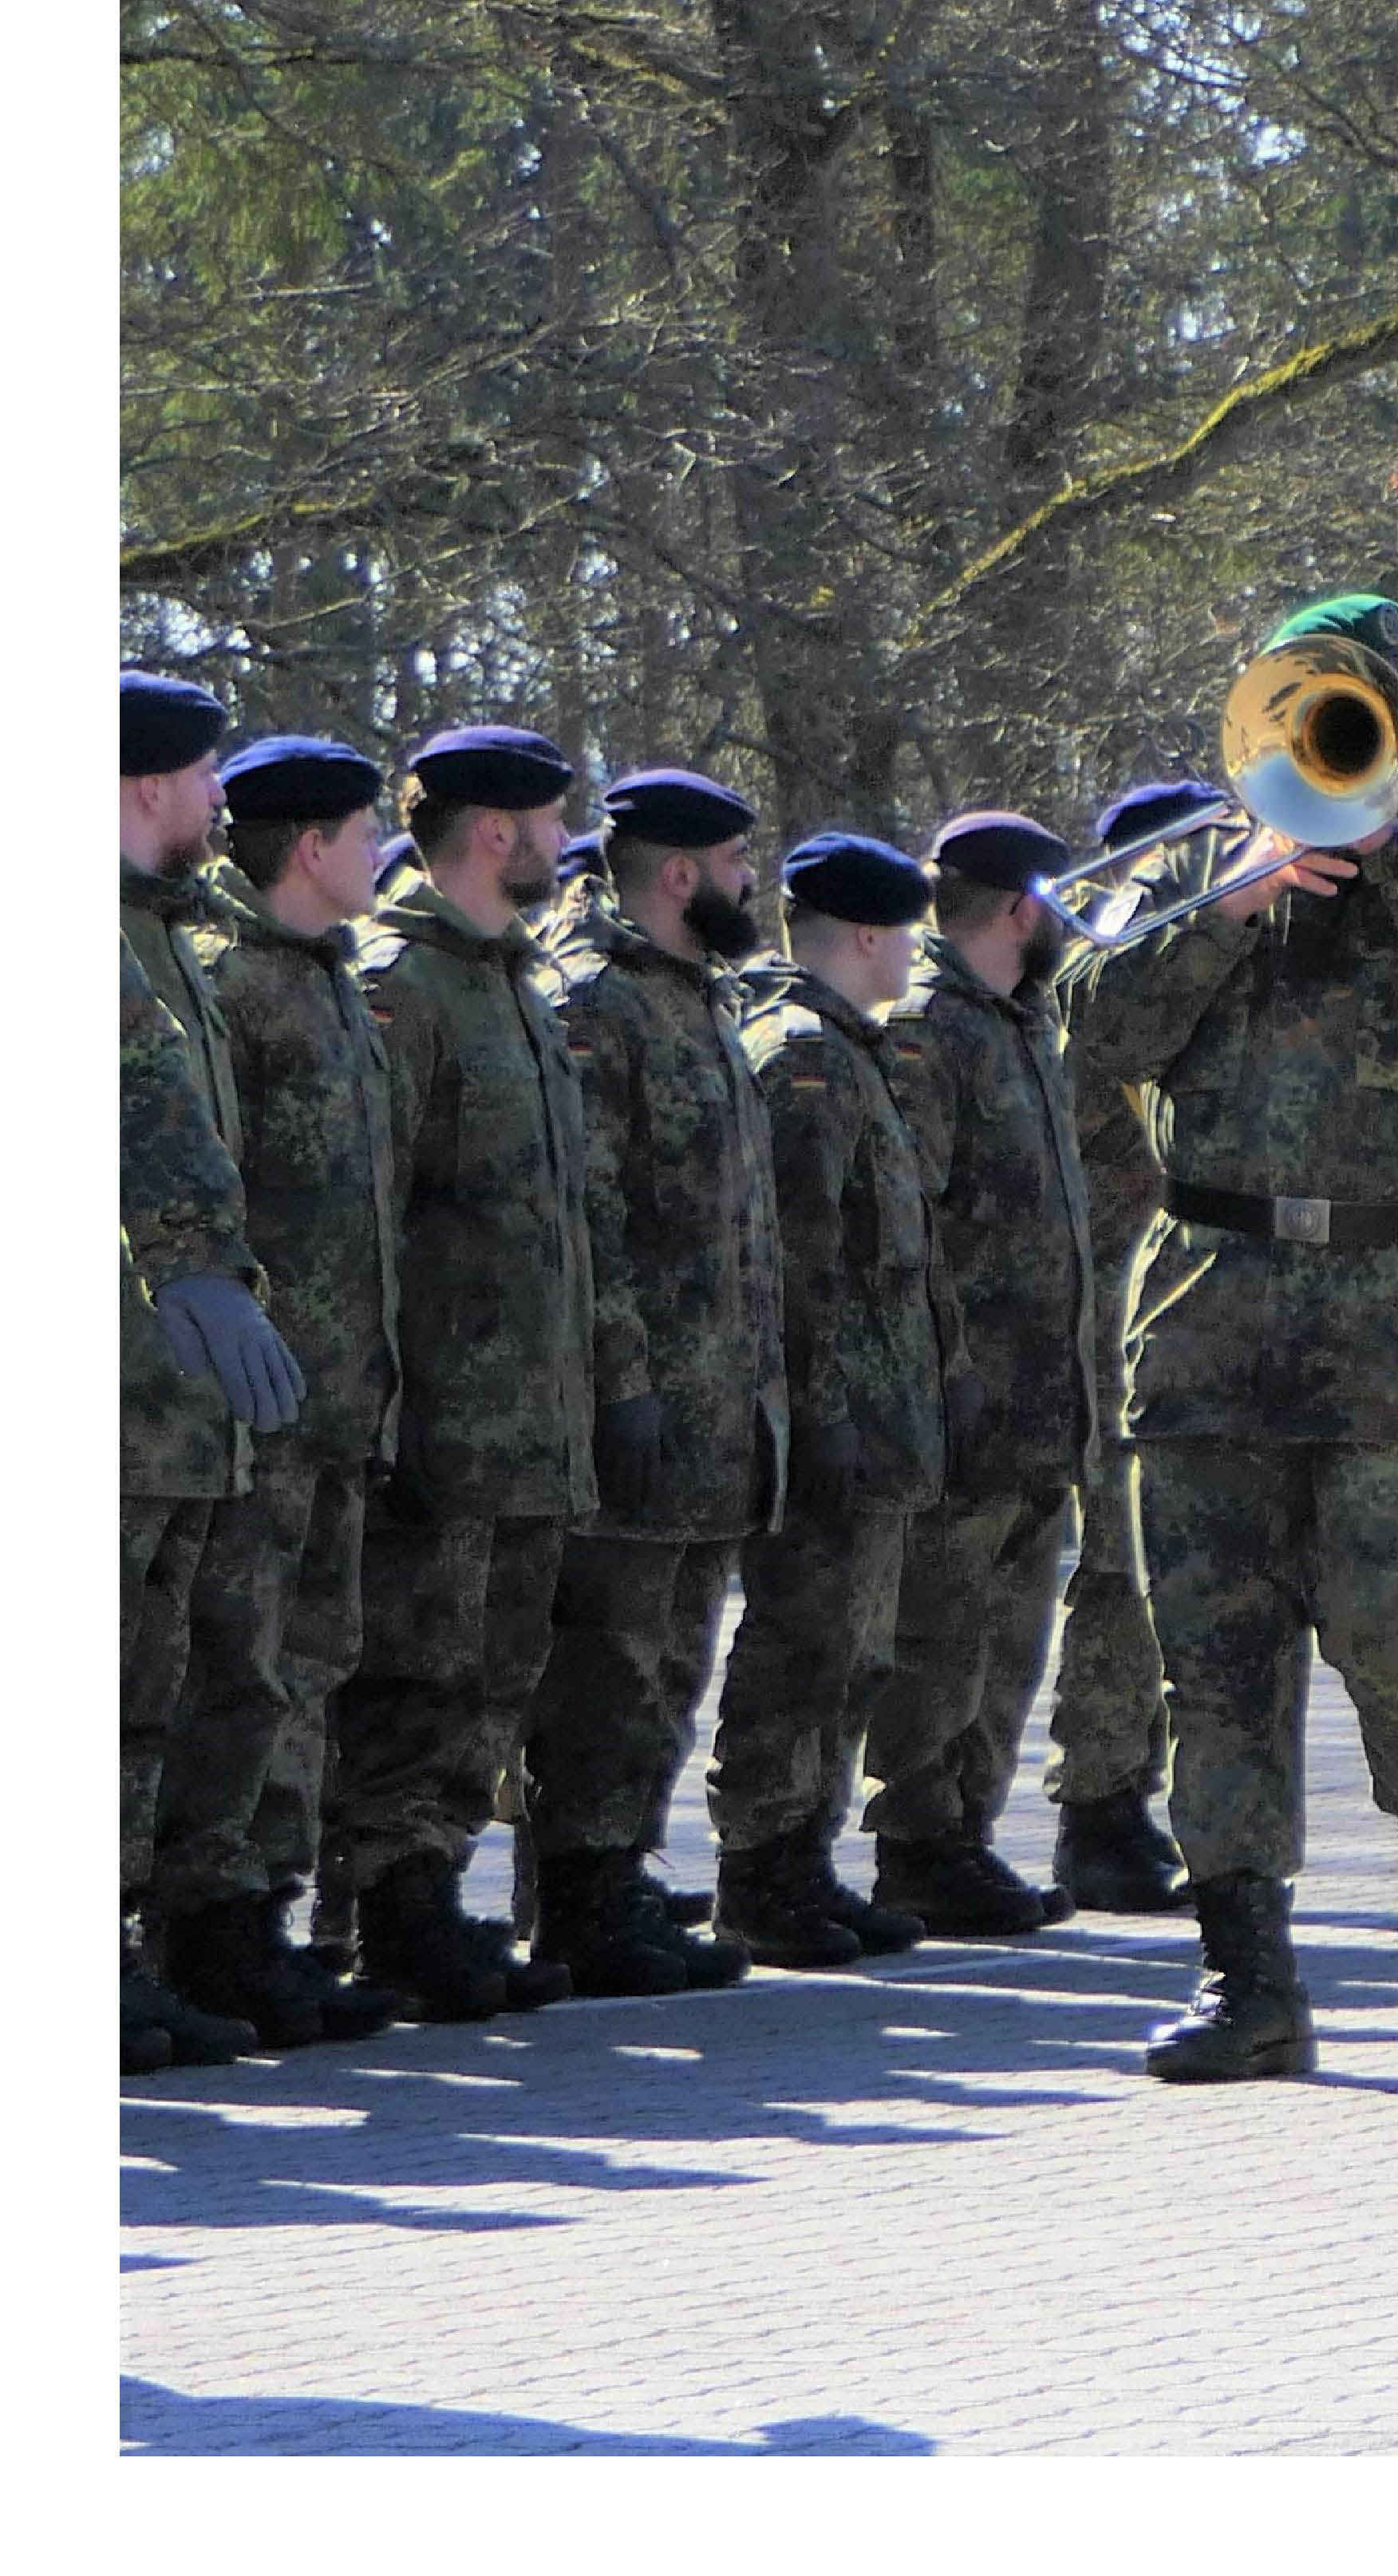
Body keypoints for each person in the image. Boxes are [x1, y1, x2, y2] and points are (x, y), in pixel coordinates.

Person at [1062, 597, 1398, 2081]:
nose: (1329, 746)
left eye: (1358, 717)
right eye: (1312, 716)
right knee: (1212, 1657)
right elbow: (1094, 1030)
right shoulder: (1188, 873)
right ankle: (1247, 1979)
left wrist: (1388, 852)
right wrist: (1232, 901)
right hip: (1209, 1310)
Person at [329, 725, 606, 2025]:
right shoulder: (407, 984)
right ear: (497, 831)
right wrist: (390, 1403)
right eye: (548, 822)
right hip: (443, 1409)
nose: (562, 844)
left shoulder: (513, 984)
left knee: (491, 1673)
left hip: (531, 1414)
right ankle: (389, 1909)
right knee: (416, 1670)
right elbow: (367, 1213)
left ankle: (433, 1892)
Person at [521, 767, 787, 2000]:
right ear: (679, 874)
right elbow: (592, 1215)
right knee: (608, 1664)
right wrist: (622, 1380)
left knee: (671, 1660)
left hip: (715, 1406)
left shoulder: (696, 998)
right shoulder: (598, 1000)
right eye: (734, 863)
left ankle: (617, 1868)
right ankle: (578, 1892)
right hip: (639, 1404)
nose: (749, 881)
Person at [156, 734, 405, 2051]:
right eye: (363, 835)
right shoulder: (229, 982)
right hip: (251, 1401)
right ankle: (207, 1924)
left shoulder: (330, 982)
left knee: (306, 1665)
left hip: (337, 1399)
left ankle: (267, 1909)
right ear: (311, 846)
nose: (379, 856)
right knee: (235, 1669)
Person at [697, 833, 951, 1967]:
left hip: (879, 1416)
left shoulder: (856, 1052)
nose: (914, 954)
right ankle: (760, 1870)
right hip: (827, 1421)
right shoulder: (803, 1059)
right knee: (799, 1649)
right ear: (863, 934)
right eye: (904, 933)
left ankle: (805, 1858)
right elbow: (802, 1264)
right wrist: (827, 1410)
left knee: (852, 1656)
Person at [865, 812, 1102, 1942]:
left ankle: (967, 1832)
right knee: (941, 1631)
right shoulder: (930, 1031)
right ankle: (919, 1841)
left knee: (1009, 1634)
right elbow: (906, 1226)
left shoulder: (1021, 1022)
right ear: (1021, 908)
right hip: (966, 1398)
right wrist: (943, 1376)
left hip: (1040, 1400)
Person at [124, 673, 291, 2070]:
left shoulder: (165, 938)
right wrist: (190, 1261)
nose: (219, 800)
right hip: (118, 1399)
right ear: (145, 785)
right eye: (202, 776)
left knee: (144, 1694)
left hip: (171, 1406)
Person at [1035, 772, 1219, 1916]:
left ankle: (1135, 1797)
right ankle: (1098, 1807)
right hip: (1116, 1306)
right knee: (1118, 1566)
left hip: (1183, 1300)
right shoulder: (1113, 971)